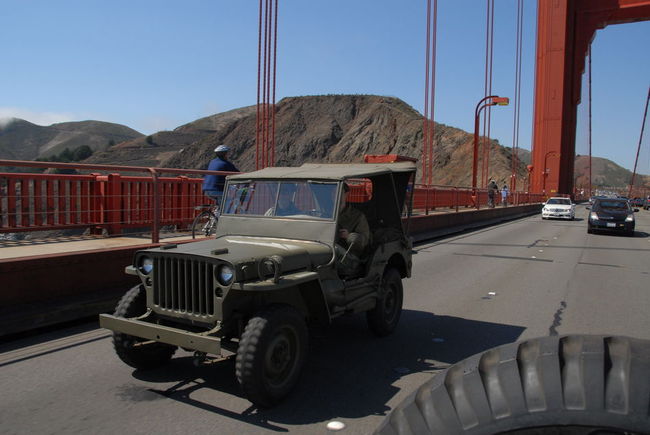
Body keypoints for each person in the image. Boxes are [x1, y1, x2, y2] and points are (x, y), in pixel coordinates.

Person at [336, 183, 370, 277]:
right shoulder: (325, 214)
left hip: (351, 258)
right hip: (331, 256)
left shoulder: (357, 216)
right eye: (333, 192)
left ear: (346, 194)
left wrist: (349, 236)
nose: (335, 194)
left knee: (333, 249)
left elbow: (365, 240)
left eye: (339, 191)